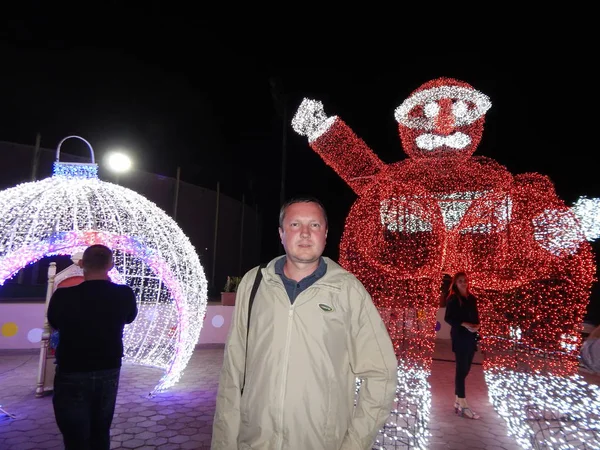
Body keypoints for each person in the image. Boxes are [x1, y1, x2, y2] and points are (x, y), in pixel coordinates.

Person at [211, 196, 398, 450]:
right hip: (255, 441)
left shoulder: (347, 290)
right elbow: (233, 372)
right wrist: (224, 443)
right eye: (295, 225)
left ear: (326, 234)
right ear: (281, 233)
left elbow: (382, 373)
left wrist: (354, 444)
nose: (306, 233)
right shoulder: (254, 284)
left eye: (315, 225)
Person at [48, 244, 138, 450]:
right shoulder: (124, 294)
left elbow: (54, 323)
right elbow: (130, 318)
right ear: (111, 264)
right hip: (108, 368)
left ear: (81, 264)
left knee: (74, 436)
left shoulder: (63, 296)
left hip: (72, 370)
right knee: (100, 430)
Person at [444, 271, 480, 420]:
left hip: (471, 337)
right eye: (460, 281)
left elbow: (477, 317)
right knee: (461, 369)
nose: (463, 283)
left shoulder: (472, 298)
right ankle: (464, 404)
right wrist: (464, 324)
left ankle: (458, 400)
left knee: (466, 369)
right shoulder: (453, 299)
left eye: (465, 280)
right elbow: (448, 318)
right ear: (455, 283)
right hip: (460, 337)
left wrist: (477, 326)